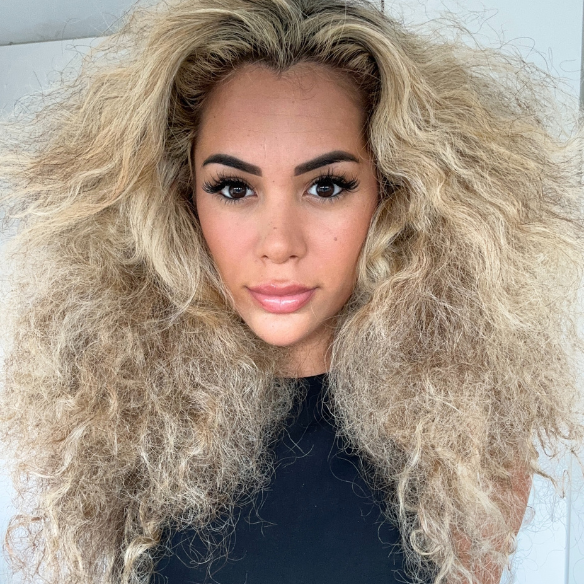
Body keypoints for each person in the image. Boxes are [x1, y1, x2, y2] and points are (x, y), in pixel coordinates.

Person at [0, 0, 583, 582]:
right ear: (183, 198)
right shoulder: (108, 418)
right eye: (234, 188)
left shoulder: (466, 435)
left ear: (394, 193)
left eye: (327, 186)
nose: (279, 244)